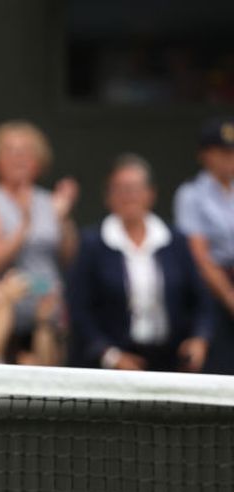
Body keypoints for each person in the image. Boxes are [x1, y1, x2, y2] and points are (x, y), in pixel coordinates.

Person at [68, 154, 210, 372]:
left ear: (150, 194)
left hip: (170, 362)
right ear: (108, 197)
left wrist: (199, 338)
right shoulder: (91, 244)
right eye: (121, 189)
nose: (128, 196)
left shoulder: (176, 240)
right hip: (112, 365)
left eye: (135, 188)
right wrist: (110, 355)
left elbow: (202, 300)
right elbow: (79, 310)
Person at [0, 120, 77, 348]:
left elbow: (68, 258)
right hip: (8, 312)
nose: (18, 157)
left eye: (26, 151)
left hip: (49, 306)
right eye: (9, 151)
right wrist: (24, 226)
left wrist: (64, 218)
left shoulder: (48, 201)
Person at [173, 116, 234, 374]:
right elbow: (200, 256)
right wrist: (231, 298)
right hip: (211, 290)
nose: (229, 158)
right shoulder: (190, 195)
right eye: (222, 152)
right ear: (205, 155)